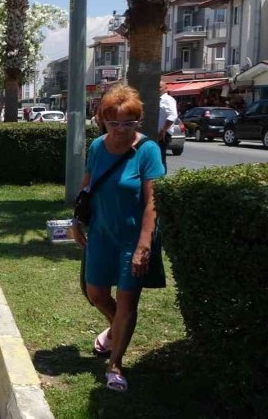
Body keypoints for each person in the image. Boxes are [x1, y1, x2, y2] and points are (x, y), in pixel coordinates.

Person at [72, 84, 165, 393]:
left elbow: (153, 202)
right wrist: (77, 221)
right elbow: (87, 186)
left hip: (132, 238)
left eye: (130, 122)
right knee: (95, 293)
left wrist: (144, 244)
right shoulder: (98, 146)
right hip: (101, 232)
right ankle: (116, 328)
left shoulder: (147, 150)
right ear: (103, 120)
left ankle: (115, 365)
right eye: (115, 122)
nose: (122, 129)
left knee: (127, 301)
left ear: (138, 120)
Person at [157, 81, 178, 172]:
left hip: (162, 134)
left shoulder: (168, 99)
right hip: (155, 133)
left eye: (159, 87)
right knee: (155, 158)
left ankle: (162, 180)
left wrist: (164, 129)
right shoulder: (157, 99)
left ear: (166, 89)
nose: (157, 89)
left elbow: (173, 115)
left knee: (160, 158)